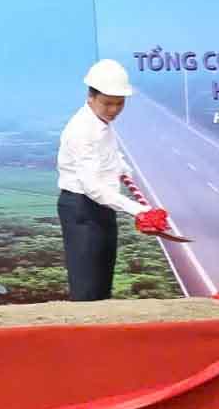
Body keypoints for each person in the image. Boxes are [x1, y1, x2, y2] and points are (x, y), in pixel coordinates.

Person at [57, 58, 154, 301]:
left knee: (102, 282)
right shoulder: (82, 130)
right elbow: (92, 186)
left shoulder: (100, 122)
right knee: (87, 287)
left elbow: (108, 157)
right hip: (82, 207)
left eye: (120, 104)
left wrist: (123, 168)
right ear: (91, 97)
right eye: (108, 103)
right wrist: (138, 210)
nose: (114, 110)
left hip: (102, 206)